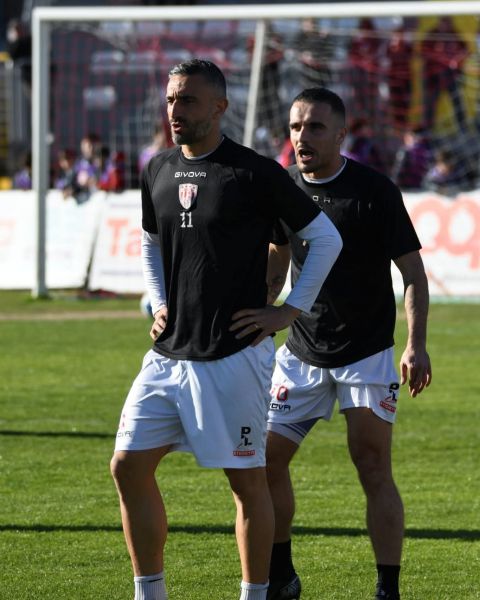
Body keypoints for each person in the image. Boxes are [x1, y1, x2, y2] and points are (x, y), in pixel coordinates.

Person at [110, 60, 343, 600]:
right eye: (171, 99)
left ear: (219, 107)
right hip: (168, 354)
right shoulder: (157, 168)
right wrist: (159, 302)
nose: (175, 110)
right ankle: (150, 593)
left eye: (188, 100)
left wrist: (289, 310)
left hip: (233, 357)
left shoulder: (254, 173)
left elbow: (326, 239)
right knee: (127, 467)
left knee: (245, 483)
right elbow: (150, 239)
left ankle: (255, 594)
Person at [265, 87, 432, 600]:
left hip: (365, 353)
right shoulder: (283, 187)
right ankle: (281, 577)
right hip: (300, 352)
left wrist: (415, 344)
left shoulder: (374, 191)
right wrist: (260, 315)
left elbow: (412, 274)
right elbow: (276, 262)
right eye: (296, 127)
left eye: (315, 127)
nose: (302, 137)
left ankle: (387, 589)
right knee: (264, 462)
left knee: (372, 465)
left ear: (341, 134)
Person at [391, 126, 432, 190]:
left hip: (408, 185)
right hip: (421, 184)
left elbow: (398, 170)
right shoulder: (426, 149)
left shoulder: (406, 151)